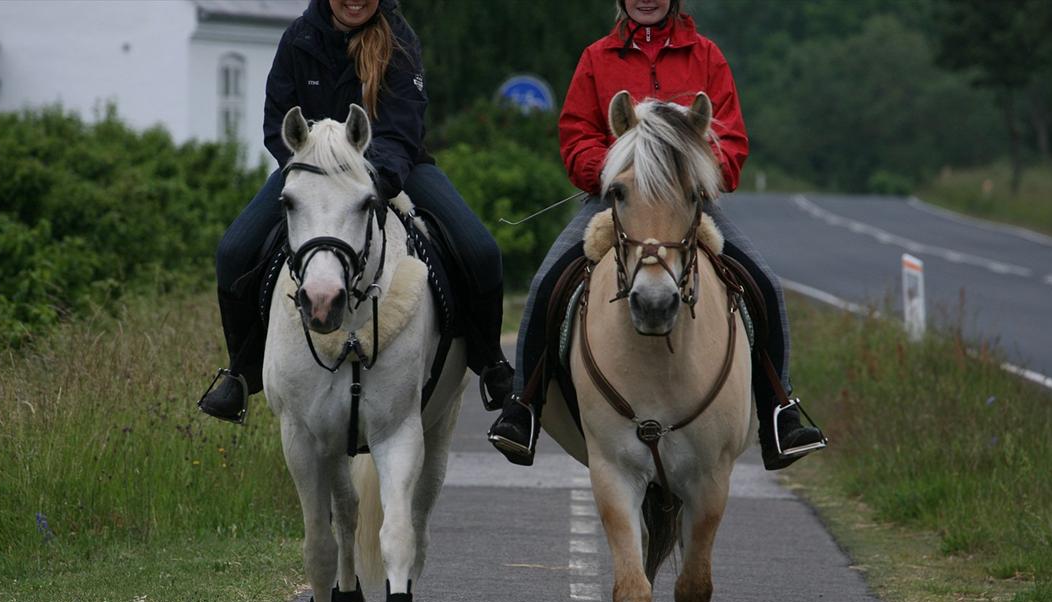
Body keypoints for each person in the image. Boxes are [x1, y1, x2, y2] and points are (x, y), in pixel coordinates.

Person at [488, 0, 824, 471]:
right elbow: (576, 135)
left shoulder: (706, 56)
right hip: (616, 200)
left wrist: (698, 171)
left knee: (764, 283)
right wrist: (612, 170)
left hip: (687, 204)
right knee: (548, 282)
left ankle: (779, 411)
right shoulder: (596, 57)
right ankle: (523, 406)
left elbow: (732, 142)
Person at [198, 0, 513, 423]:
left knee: (481, 250)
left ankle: (490, 362)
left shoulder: (400, 41)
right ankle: (240, 373)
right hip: (311, 171)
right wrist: (309, 167)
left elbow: (404, 126)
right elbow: (277, 122)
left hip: (394, 168)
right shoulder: (298, 38)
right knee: (233, 252)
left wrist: (372, 178)